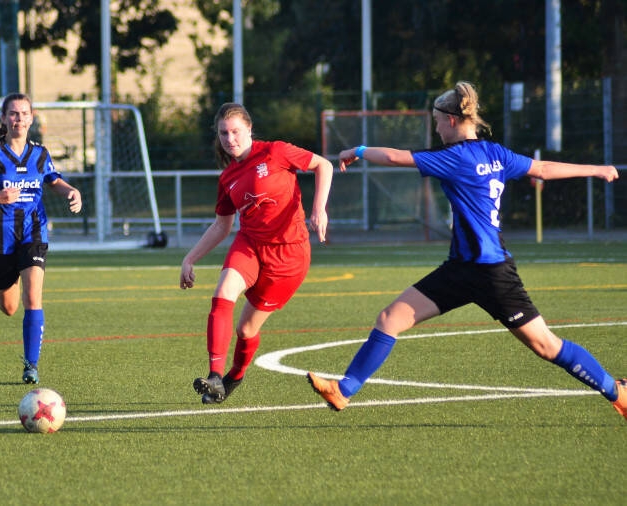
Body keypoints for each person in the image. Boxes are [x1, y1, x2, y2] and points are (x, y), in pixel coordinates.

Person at [307, 81, 627, 421]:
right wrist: (596, 169)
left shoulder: (454, 157)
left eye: (437, 121)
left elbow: (394, 157)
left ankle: (617, 392)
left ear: (453, 121)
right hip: (460, 269)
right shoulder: (497, 153)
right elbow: (543, 170)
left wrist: (356, 150)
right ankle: (343, 391)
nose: (436, 127)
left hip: (493, 274)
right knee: (390, 318)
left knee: (546, 346)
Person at [180, 102, 336, 404]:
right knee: (223, 291)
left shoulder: (275, 152)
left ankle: (233, 378)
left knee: (246, 329)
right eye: (224, 133)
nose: (230, 139)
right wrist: (189, 258)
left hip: (288, 256)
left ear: (249, 129)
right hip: (249, 243)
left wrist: (319, 209)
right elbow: (221, 227)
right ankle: (214, 375)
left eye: (236, 131)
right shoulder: (227, 178)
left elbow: (323, 165)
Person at [0, 92, 83, 384]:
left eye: (24, 114)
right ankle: (0, 295)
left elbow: (54, 180)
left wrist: (71, 191)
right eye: (13, 114)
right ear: (4, 118)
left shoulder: (40, 154)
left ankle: (31, 366)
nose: (19, 119)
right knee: (10, 306)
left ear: (32, 118)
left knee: (32, 298)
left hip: (33, 233)